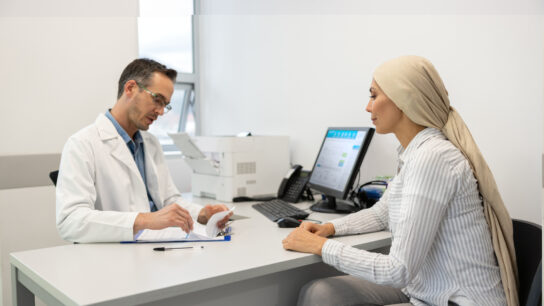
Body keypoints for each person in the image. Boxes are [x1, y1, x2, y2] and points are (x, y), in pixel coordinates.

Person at [282, 56, 518, 306]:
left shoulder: (433, 158)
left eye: (373, 96)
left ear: (403, 100)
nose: (367, 107)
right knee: (319, 293)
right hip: (423, 289)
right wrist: (329, 229)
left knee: (321, 296)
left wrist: (320, 247)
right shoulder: (413, 153)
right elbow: (381, 214)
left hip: (456, 300)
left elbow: (397, 270)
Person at [56, 58, 232, 243]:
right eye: (157, 100)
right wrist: (144, 220)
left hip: (157, 247)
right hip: (115, 255)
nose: (161, 111)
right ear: (130, 88)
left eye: (166, 104)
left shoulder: (151, 143)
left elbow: (169, 201)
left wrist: (202, 214)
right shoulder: (82, 144)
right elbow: (70, 221)